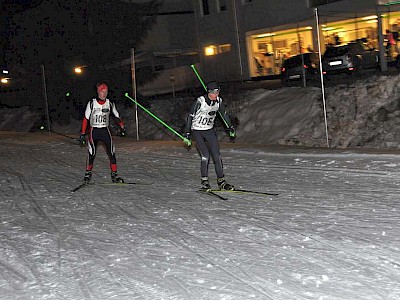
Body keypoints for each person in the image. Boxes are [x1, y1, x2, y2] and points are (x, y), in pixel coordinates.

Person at [184, 81, 236, 191]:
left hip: (209, 130)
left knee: (217, 155)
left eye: (217, 92)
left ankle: (221, 181)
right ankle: (204, 181)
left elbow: (224, 114)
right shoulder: (200, 101)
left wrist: (230, 127)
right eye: (213, 93)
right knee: (205, 155)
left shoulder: (219, 101)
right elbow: (190, 117)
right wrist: (187, 134)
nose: (215, 95)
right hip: (197, 131)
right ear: (208, 92)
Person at [78, 82, 126, 183]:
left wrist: (122, 127)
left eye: (106, 92)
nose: (104, 94)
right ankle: (88, 174)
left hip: (105, 130)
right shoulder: (92, 103)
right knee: (92, 153)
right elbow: (86, 119)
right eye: (102, 92)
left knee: (112, 152)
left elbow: (117, 116)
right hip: (94, 131)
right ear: (98, 92)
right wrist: (82, 133)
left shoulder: (110, 103)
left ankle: (114, 175)